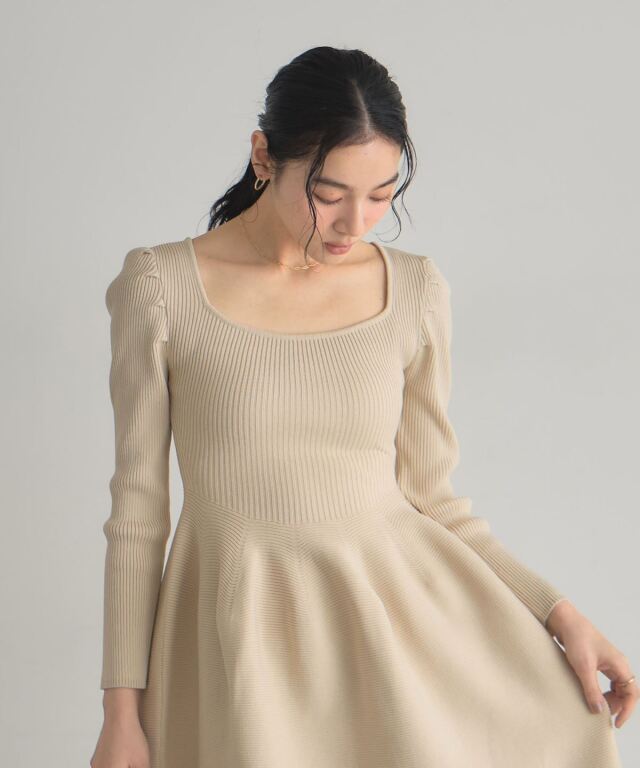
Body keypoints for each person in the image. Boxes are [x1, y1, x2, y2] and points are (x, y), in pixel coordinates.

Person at [90, 46, 636, 768]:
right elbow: (138, 516)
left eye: (382, 194)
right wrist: (120, 713)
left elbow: (435, 501)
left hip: (390, 636)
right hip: (237, 644)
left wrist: (560, 614)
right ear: (263, 156)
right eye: (329, 191)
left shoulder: (415, 290)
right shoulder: (160, 288)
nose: (357, 222)